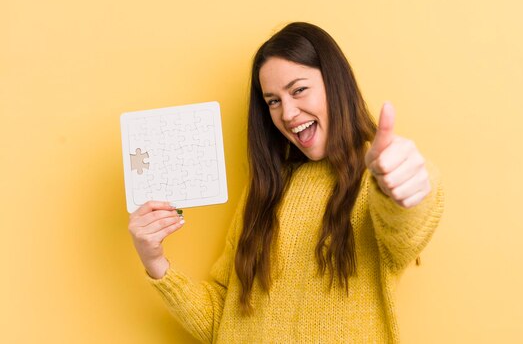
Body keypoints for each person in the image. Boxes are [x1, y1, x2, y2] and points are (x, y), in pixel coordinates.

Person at [128, 22, 444, 343]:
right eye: (273, 101)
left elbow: (407, 223)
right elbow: (225, 323)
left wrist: (407, 187)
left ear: (335, 83)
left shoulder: (375, 181)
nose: (288, 113)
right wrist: (155, 262)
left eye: (298, 90)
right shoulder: (266, 191)